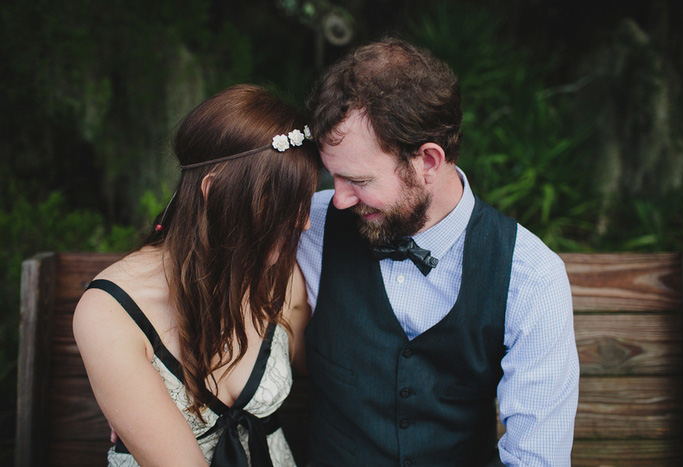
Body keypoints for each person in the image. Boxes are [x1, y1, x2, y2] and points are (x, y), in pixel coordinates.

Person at [296, 38, 579, 466]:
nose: (338, 200)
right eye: (332, 177)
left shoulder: (531, 277)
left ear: (428, 160)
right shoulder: (308, 228)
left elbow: (537, 458)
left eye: (359, 180)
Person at [73, 84, 319, 467]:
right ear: (216, 190)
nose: (303, 224)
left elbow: (334, 374)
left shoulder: (281, 276)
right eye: (288, 204)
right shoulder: (110, 312)